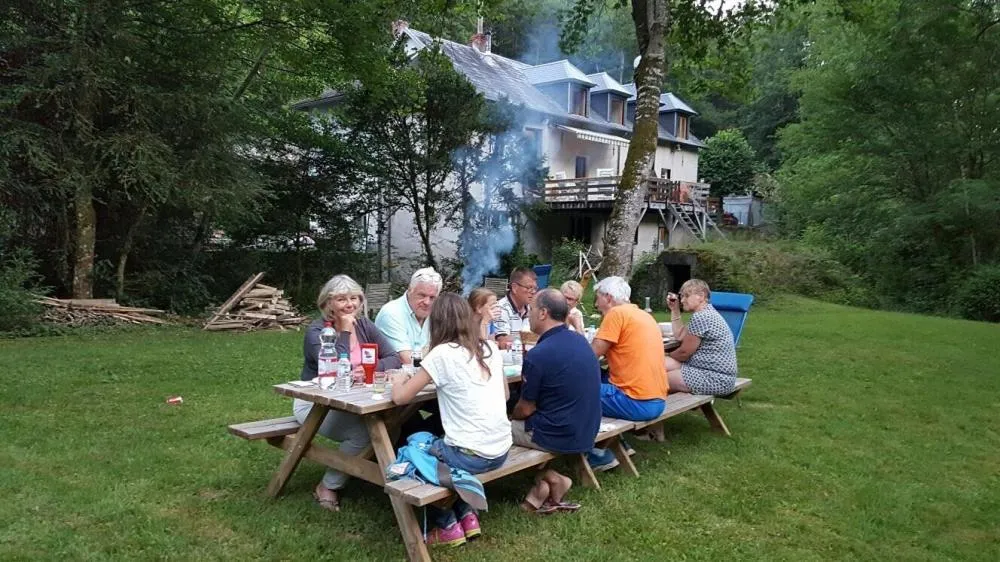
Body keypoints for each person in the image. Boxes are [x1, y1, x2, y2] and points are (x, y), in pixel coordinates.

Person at [390, 293, 511, 548]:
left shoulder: (442, 353)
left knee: (413, 447)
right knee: (434, 437)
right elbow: (507, 394)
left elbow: (401, 398)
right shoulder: (489, 347)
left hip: (471, 454)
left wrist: (398, 381)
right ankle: (467, 514)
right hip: (500, 450)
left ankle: (446, 524)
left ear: (437, 323)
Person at [294, 275, 402, 512]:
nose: (350, 304)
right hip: (316, 404)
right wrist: (342, 332)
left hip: (357, 397)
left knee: (394, 422)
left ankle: (362, 470)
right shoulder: (316, 331)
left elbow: (393, 357)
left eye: (354, 298)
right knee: (364, 433)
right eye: (342, 299)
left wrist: (370, 369)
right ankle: (328, 486)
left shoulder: (364, 325)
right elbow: (332, 367)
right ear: (327, 303)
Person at [511, 289, 601, 514]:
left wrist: (510, 415)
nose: (528, 315)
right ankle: (544, 484)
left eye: (531, 310)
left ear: (543, 313)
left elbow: (526, 407)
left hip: (559, 434)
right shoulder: (581, 342)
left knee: (495, 431)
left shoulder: (539, 354)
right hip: (588, 428)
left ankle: (548, 477)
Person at [589, 276, 668, 470]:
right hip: (657, 398)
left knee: (571, 391)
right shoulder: (643, 315)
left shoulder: (615, 314)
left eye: (597, 298)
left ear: (607, 297)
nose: (596, 304)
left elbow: (590, 355)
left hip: (637, 402)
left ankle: (597, 453)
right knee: (598, 375)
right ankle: (618, 443)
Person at [665, 279, 739, 396]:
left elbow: (684, 353)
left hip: (715, 379)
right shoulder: (706, 313)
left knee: (658, 378)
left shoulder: (702, 317)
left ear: (701, 296)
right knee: (659, 365)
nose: (682, 300)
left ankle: (642, 407)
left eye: (686, 296)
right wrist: (675, 310)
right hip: (701, 369)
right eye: (681, 296)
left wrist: (666, 355)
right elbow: (680, 336)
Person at [375, 267, 441, 364]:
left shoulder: (437, 312)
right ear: (410, 290)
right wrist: (436, 346)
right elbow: (408, 361)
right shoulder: (391, 313)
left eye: (432, 297)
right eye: (422, 295)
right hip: (394, 376)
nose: (427, 302)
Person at [495, 267, 536, 349]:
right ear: (514, 288)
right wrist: (535, 337)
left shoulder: (532, 308)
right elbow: (503, 343)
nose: (533, 292)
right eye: (529, 288)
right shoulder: (501, 308)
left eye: (535, 288)